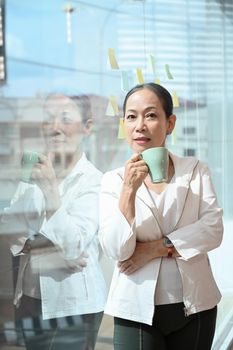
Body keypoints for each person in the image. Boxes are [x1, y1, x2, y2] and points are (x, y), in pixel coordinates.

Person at [99, 83, 223, 350]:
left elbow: (213, 229)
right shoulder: (112, 181)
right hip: (135, 311)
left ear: (170, 123)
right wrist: (128, 190)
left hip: (197, 306)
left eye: (151, 115)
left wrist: (155, 249)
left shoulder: (196, 170)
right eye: (131, 116)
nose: (140, 125)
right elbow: (115, 249)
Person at [0, 93, 106, 350]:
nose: (54, 127)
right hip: (29, 297)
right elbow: (8, 225)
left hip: (75, 302)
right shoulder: (33, 172)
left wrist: (49, 190)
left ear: (87, 127)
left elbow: (75, 243)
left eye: (65, 118)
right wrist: (47, 250)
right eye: (48, 119)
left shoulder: (96, 180)